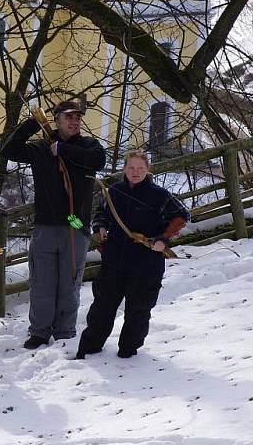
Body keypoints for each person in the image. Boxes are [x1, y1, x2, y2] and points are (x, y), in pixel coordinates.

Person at [0, 100, 106, 349]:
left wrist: (64, 150)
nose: (74, 121)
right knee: (42, 282)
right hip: (45, 224)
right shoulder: (41, 148)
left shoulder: (88, 146)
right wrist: (31, 124)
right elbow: (9, 151)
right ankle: (39, 331)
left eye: (77, 118)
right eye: (68, 117)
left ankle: (65, 331)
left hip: (75, 223)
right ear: (57, 120)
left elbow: (97, 161)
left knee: (69, 282)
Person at [76, 150, 190, 360]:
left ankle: (128, 353)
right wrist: (100, 228)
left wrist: (163, 239)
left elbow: (182, 216)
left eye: (140, 168)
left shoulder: (159, 195)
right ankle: (89, 348)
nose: (135, 172)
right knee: (102, 307)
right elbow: (102, 214)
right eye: (131, 168)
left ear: (147, 170)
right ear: (124, 169)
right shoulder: (113, 191)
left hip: (146, 264)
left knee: (138, 310)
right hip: (114, 260)